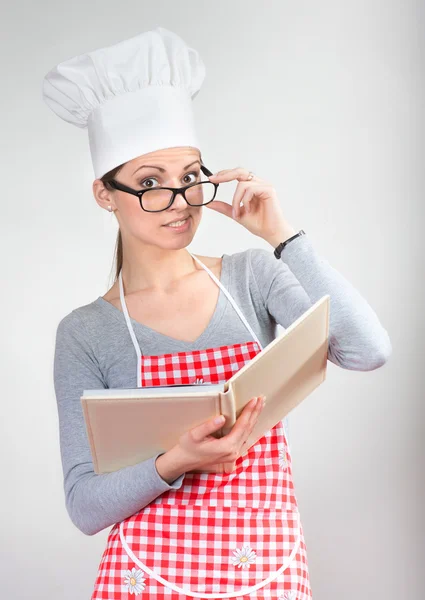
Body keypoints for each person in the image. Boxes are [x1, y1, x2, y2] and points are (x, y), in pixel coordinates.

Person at [43, 27, 392, 599]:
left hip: (264, 568)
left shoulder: (255, 276)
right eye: (150, 183)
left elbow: (367, 349)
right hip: (144, 576)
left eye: (190, 178)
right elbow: (85, 506)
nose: (180, 203)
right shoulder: (86, 332)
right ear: (105, 194)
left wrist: (283, 235)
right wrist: (175, 460)